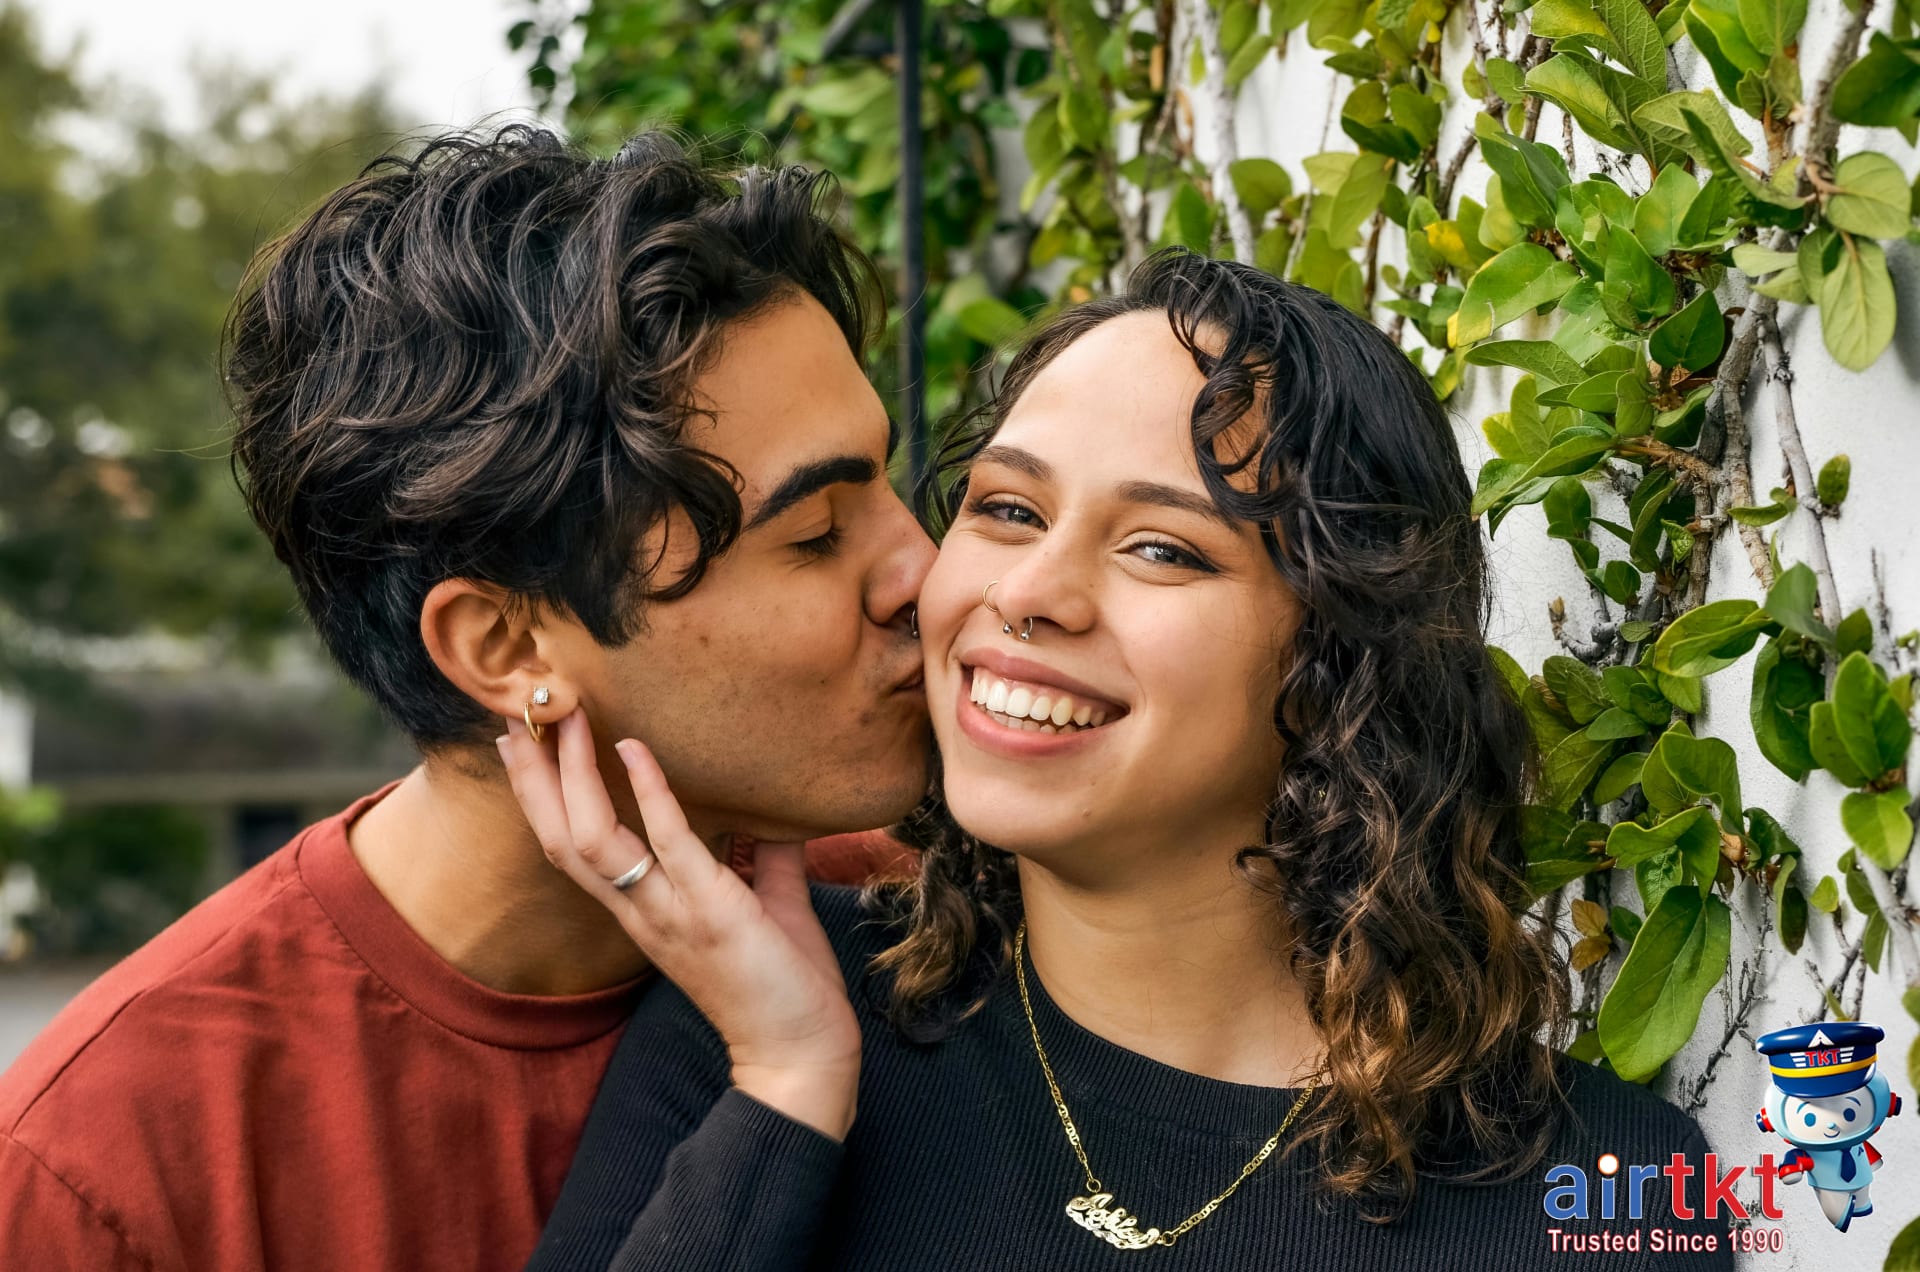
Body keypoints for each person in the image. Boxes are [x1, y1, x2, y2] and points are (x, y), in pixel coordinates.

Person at [511, 249, 1734, 1269]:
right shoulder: (765, 1014)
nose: (1029, 594)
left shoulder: (1611, 1195)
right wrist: (786, 1087)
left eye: (1162, 549)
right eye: (1006, 509)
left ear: (1342, 660)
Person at [0, 127, 935, 1271]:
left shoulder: (926, 920)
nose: (927, 571)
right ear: (503, 647)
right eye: (817, 534)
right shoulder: (116, 1174)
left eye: (893, 482)